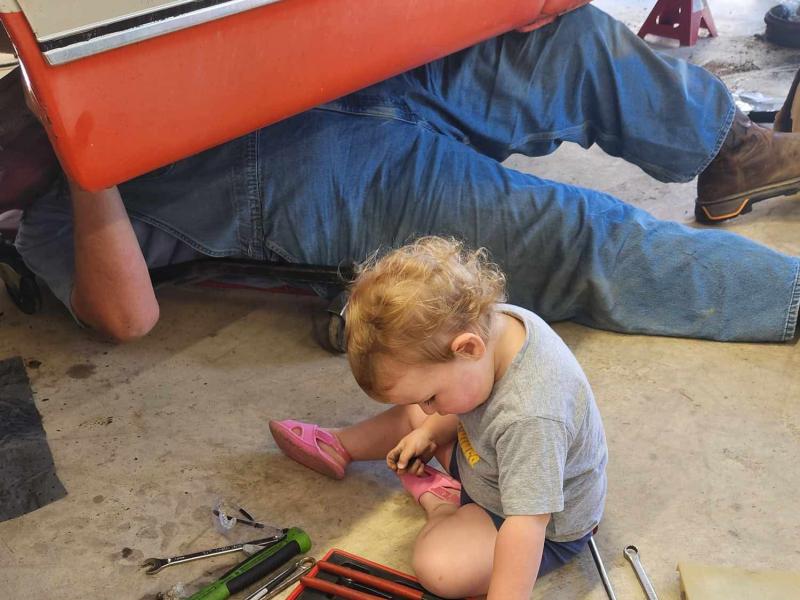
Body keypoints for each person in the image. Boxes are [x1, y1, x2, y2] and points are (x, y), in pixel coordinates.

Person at [6, 5, 800, 342]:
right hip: (330, 185)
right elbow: (125, 322)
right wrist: (85, 157)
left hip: (343, 75)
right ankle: (788, 301)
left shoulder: (44, 53)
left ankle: (734, 154)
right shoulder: (51, 225)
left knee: (570, 39)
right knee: (577, 238)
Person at [270, 236, 607, 599]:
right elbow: (455, 404)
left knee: (441, 569)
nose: (426, 406)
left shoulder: (532, 416)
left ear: (467, 348)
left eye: (430, 397)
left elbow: (526, 527)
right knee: (423, 415)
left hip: (541, 524)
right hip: (486, 459)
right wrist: (430, 429)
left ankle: (440, 505)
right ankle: (342, 445)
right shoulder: (491, 331)